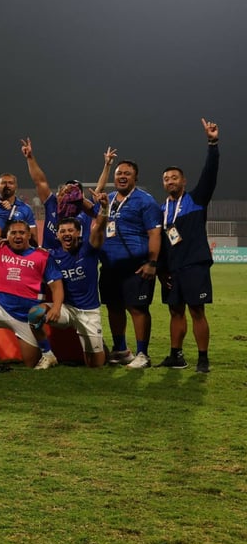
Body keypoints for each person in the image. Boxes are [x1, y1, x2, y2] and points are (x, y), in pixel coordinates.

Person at [0, 182, 64, 369]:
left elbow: (56, 285)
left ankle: (48, 354)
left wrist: (56, 307)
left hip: (26, 317)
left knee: (30, 364)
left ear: (28, 235)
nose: (17, 236)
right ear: (7, 235)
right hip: (0, 307)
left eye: (22, 233)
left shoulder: (42, 256)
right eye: (13, 233)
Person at [157, 118, 220, 373]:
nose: (170, 181)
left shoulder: (196, 200)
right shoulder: (161, 210)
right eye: (166, 178)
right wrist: (162, 272)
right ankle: (176, 355)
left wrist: (212, 143)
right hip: (172, 269)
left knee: (197, 310)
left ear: (183, 182)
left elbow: (210, 174)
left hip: (194, 265)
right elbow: (161, 242)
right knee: (175, 312)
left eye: (174, 178)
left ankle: (203, 359)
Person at [27, 198, 110, 369]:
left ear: (78, 232)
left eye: (71, 230)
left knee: (95, 366)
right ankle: (48, 355)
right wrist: (5, 243)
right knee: (35, 313)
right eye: (62, 231)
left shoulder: (88, 248)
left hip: (89, 312)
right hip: (66, 309)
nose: (66, 234)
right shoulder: (52, 255)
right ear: (57, 235)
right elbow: (27, 252)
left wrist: (104, 208)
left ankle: (100, 346)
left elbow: (100, 227)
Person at [100, 158, 163, 368]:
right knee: (114, 307)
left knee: (137, 308)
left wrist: (152, 262)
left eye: (127, 173)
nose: (122, 176)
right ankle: (121, 350)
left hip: (136, 266)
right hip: (110, 266)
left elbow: (154, 233)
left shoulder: (146, 201)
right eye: (119, 173)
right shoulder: (108, 200)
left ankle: (142, 354)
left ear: (135, 177)